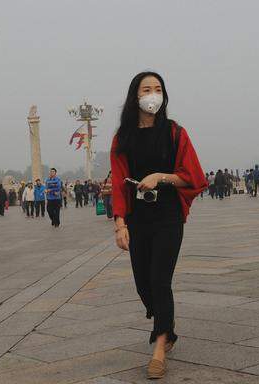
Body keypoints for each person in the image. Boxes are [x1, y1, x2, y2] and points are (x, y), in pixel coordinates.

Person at [110, 72, 206, 379]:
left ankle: (160, 347)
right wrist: (120, 223)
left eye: (158, 89)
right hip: (138, 218)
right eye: (146, 89)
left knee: (160, 280)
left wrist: (160, 177)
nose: (153, 94)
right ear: (134, 96)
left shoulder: (175, 133)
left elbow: (192, 177)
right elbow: (119, 184)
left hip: (168, 216)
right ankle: (167, 326)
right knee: (143, 283)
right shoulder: (122, 137)